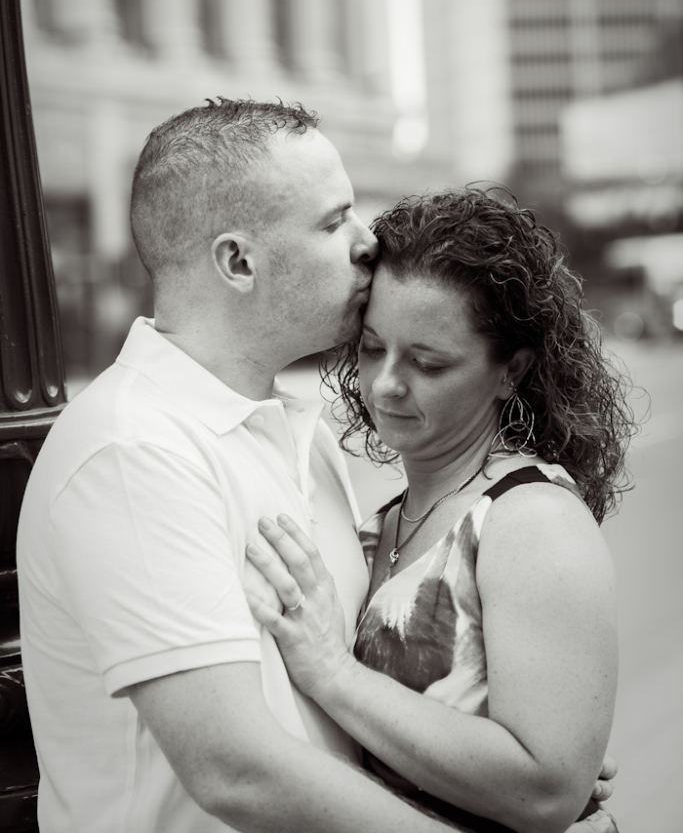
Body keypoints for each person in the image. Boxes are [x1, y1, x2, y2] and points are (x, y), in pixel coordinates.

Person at [17, 99, 615, 833]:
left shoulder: (298, 436)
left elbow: (356, 689)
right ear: (239, 261)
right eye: (333, 222)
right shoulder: (135, 451)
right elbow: (237, 772)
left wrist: (500, 762)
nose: (368, 241)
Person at [245, 188, 633, 833]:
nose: (386, 384)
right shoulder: (388, 520)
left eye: (428, 363)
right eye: (373, 348)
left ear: (512, 371)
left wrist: (334, 673)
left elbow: (546, 793)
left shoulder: (531, 520)